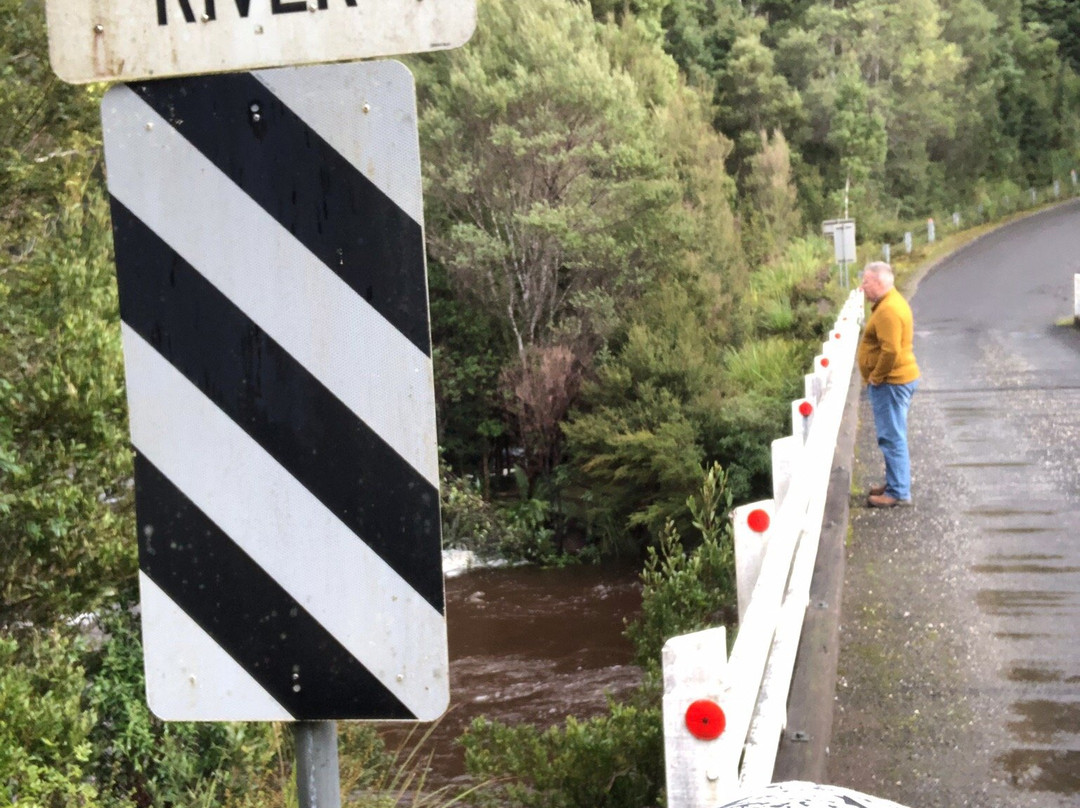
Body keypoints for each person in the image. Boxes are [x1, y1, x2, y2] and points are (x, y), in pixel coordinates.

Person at [857, 261, 920, 507]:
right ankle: (895, 482)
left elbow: (891, 349)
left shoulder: (889, 310)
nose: (862, 287)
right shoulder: (888, 303)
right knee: (893, 435)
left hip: (892, 383)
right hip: (896, 381)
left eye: (866, 281)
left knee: (892, 437)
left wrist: (877, 376)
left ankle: (898, 492)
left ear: (879, 281)